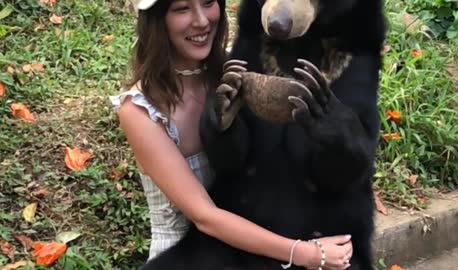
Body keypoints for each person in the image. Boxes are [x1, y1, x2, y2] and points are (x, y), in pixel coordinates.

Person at [110, 0, 353, 269]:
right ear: (156, 20)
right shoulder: (140, 110)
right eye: (182, 9)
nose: (201, 20)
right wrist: (306, 253)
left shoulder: (236, 71)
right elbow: (205, 217)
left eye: (208, 3)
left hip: (259, 250)